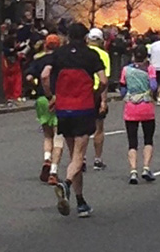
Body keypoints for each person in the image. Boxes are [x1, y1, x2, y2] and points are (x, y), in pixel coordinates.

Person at [41, 23, 107, 218]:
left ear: (68, 36)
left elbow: (45, 75)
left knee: (73, 156)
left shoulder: (58, 54)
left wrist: (51, 96)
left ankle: (80, 201)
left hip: (63, 108)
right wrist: (95, 94)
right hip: (84, 108)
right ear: (86, 37)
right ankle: (66, 184)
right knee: (79, 156)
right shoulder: (91, 55)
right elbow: (103, 81)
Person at [26, 34, 62, 185]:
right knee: (58, 135)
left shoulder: (38, 60)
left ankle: (47, 158)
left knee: (47, 135)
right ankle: (53, 171)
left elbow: (28, 77)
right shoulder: (61, 61)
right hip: (58, 98)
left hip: (41, 99)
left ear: (46, 45)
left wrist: (35, 86)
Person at [120, 46, 158, 184]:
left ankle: (133, 171)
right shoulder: (150, 69)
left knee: (132, 141)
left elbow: (122, 88)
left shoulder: (126, 70)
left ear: (133, 56)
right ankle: (146, 168)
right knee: (148, 139)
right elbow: (153, 86)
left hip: (131, 107)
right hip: (146, 107)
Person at [87, 28, 111, 171]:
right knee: (99, 127)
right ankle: (97, 159)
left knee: (82, 128)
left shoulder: (82, 52)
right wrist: (103, 100)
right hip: (97, 92)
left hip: (83, 93)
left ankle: (80, 158)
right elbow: (104, 80)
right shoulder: (104, 55)